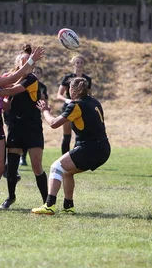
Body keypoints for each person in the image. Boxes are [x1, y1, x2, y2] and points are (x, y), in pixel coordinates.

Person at [0, 45, 48, 210]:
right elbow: (9, 86)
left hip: (31, 126)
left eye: (28, 61)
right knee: (10, 166)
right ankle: (6, 197)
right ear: (17, 62)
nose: (27, 64)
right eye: (23, 60)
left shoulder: (31, 79)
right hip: (13, 125)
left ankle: (47, 202)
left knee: (34, 165)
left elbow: (13, 89)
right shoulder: (3, 77)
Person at [32, 77, 110, 215]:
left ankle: (49, 205)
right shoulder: (94, 102)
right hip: (103, 148)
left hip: (90, 148)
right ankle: (68, 206)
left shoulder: (76, 105)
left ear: (72, 90)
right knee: (67, 172)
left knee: (56, 167)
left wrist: (44, 110)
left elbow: (54, 123)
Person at [55, 54, 92, 154]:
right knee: (67, 136)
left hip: (82, 109)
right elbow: (58, 95)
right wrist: (68, 100)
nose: (79, 64)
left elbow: (89, 95)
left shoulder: (87, 79)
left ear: (84, 65)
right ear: (73, 64)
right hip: (69, 107)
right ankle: (63, 160)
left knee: (79, 135)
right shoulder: (67, 78)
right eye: (77, 62)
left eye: (81, 63)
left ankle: (75, 160)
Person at [20, 65, 48, 166]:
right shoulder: (26, 83)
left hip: (36, 115)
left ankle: (32, 159)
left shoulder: (42, 87)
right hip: (25, 114)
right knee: (23, 137)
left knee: (33, 140)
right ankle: (22, 158)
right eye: (34, 72)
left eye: (38, 73)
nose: (36, 74)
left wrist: (45, 106)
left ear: (41, 75)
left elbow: (45, 101)